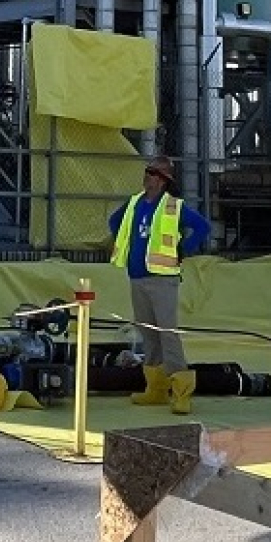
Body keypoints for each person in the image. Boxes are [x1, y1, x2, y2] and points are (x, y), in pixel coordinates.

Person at [108, 155, 210, 415]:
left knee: (168, 334)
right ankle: (156, 389)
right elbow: (114, 222)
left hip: (162, 279)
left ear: (164, 180)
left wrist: (182, 248)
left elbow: (202, 227)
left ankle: (182, 391)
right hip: (138, 278)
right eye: (147, 171)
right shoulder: (134, 203)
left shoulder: (173, 207)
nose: (147, 176)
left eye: (153, 173)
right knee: (148, 334)